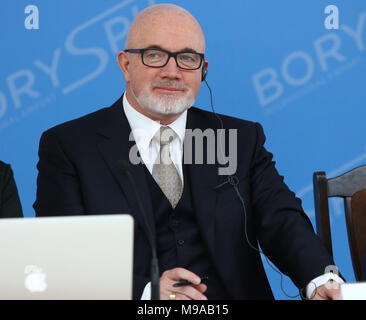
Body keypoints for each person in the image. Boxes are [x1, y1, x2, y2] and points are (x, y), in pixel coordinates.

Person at [34, 4, 343, 300]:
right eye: (155, 55)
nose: (173, 71)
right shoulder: (69, 146)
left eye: (187, 58)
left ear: (203, 70)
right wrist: (144, 293)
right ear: (126, 65)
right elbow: (63, 258)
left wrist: (319, 278)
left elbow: (281, 218)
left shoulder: (238, 139)